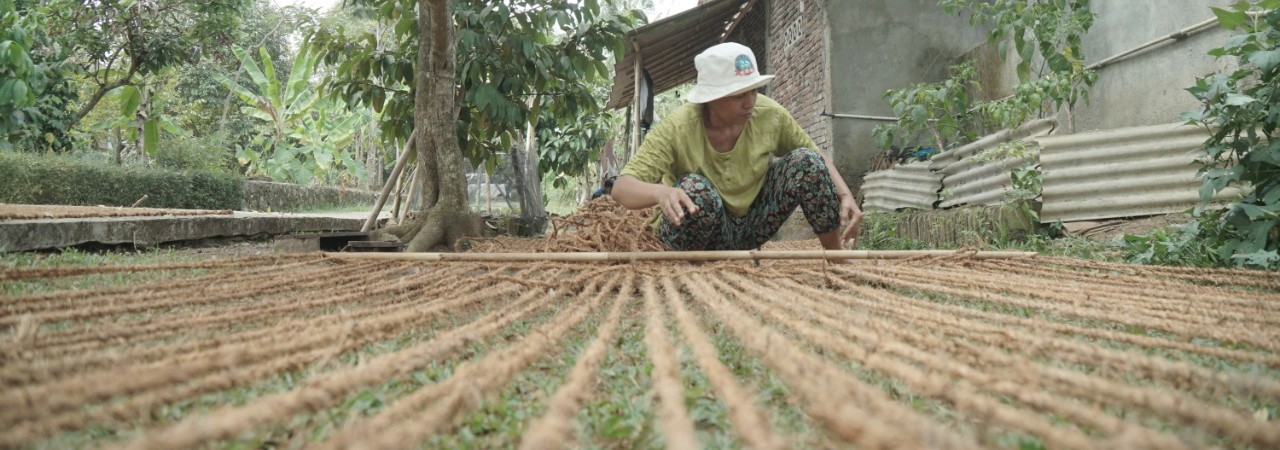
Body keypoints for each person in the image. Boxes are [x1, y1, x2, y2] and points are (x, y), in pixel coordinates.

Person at [612, 42, 862, 251]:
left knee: (807, 162)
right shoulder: (678, 127)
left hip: (751, 226)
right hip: (698, 234)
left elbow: (817, 158)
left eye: (753, 91)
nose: (749, 102)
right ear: (711, 98)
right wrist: (660, 193)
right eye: (738, 95)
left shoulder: (769, 115)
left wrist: (844, 195)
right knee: (695, 190)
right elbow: (621, 189)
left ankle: (836, 254)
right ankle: (694, 269)